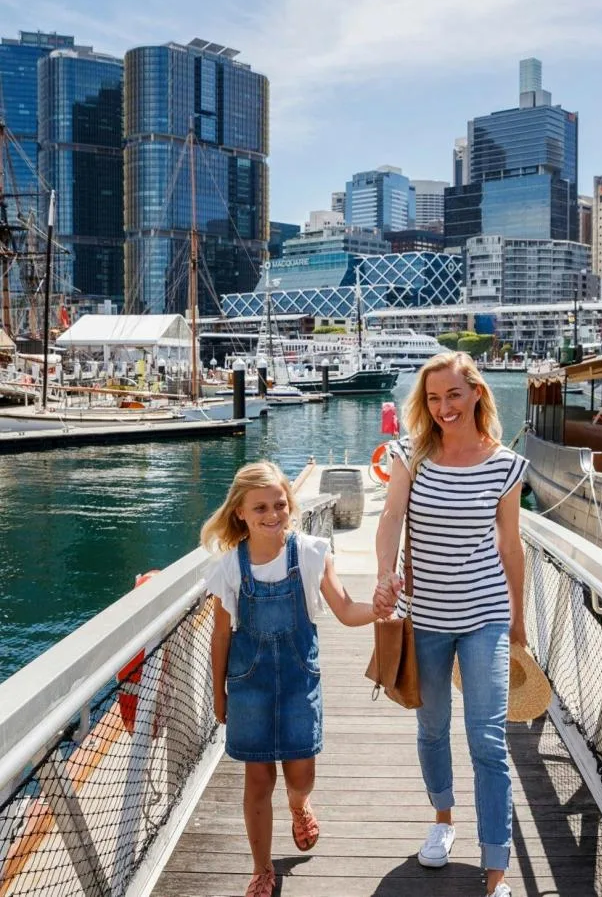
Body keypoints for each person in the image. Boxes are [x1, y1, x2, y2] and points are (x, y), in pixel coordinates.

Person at [373, 352, 528, 897]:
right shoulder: (411, 456)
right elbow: (391, 517)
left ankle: (496, 871)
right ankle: (443, 820)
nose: (444, 408)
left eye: (454, 396)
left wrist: (519, 622)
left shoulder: (505, 464)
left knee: (487, 741)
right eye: (434, 399)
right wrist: (383, 573)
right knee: (432, 728)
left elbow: (511, 545)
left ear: (477, 394)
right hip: (426, 619)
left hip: (485, 615)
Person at [203, 461, 376, 897]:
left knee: (301, 775)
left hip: (300, 684)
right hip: (249, 688)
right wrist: (218, 695)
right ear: (239, 512)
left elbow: (346, 610)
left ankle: (300, 807)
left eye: (279, 503)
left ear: (289, 505)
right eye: (259, 506)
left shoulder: (313, 552)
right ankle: (263, 868)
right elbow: (221, 635)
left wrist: (379, 608)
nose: (272, 513)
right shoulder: (228, 567)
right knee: (258, 780)